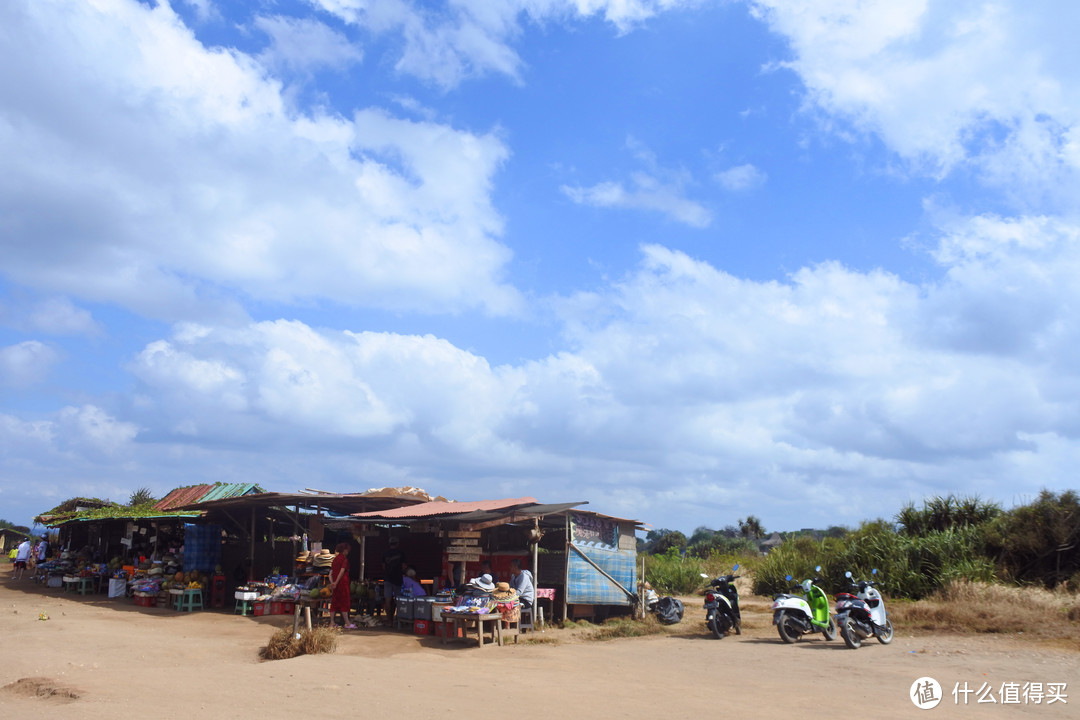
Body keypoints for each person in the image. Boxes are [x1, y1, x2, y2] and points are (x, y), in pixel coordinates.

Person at [328, 542, 356, 630]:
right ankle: (347, 623)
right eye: (347, 550)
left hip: (335, 586)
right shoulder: (344, 560)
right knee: (344, 602)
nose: (348, 552)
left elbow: (330, 574)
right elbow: (342, 571)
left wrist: (332, 583)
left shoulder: (335, 559)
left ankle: (332, 622)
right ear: (344, 550)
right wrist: (336, 582)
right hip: (342, 584)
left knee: (334, 603)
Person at [382, 536, 405, 621]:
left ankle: (389, 620)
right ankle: (397, 619)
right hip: (397, 579)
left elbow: (383, 566)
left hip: (387, 579)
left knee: (387, 600)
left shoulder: (385, 553)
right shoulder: (401, 553)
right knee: (398, 599)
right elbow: (403, 566)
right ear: (397, 544)